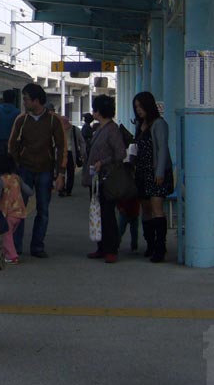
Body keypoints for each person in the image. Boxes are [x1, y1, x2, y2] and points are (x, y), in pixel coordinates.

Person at [7, 83, 65, 258]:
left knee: (43, 209)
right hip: (24, 169)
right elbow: (12, 144)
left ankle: (37, 246)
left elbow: (61, 147)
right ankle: (16, 246)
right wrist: (15, 166)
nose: (24, 102)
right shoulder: (21, 120)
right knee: (19, 209)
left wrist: (60, 173)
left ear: (36, 100)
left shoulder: (53, 121)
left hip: (45, 169)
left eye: (26, 99)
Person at [132, 91, 174, 262]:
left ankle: (160, 247)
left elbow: (162, 148)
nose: (139, 110)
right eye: (136, 107)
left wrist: (160, 172)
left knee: (157, 208)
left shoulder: (159, 124)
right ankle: (150, 243)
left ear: (149, 105)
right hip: (142, 172)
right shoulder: (140, 124)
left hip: (156, 172)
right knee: (146, 210)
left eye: (141, 106)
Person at [84, 94, 126, 263]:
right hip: (96, 179)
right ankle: (101, 247)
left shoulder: (111, 130)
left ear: (99, 111)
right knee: (98, 213)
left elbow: (120, 153)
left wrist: (103, 162)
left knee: (107, 214)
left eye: (95, 108)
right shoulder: (100, 128)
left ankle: (111, 248)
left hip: (106, 178)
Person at [0, 154, 34, 264]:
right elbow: (29, 191)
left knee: (6, 235)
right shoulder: (17, 178)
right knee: (10, 234)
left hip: (8, 213)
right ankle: (7, 253)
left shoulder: (1, 181)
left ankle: (12, 256)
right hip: (19, 213)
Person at [0, 89, 21, 174]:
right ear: (14, 99)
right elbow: (18, 129)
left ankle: (0, 180)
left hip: (0, 142)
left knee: (0, 166)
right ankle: (12, 181)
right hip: (13, 142)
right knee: (12, 166)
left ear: (3, 98)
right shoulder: (17, 112)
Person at [57, 115, 85, 197]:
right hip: (64, 153)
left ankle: (66, 190)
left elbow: (82, 142)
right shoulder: (58, 129)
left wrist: (82, 152)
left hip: (69, 153)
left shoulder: (74, 129)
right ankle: (63, 189)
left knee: (67, 172)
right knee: (64, 172)